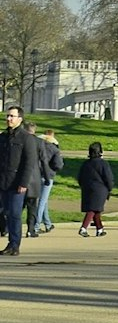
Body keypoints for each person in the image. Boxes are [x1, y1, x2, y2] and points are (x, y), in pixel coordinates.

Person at [0, 104, 40, 256]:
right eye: (8, 116)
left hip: (17, 183)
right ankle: (10, 243)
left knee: (15, 214)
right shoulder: (3, 137)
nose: (9, 119)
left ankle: (14, 244)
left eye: (12, 116)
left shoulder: (26, 138)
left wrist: (23, 183)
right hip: (3, 182)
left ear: (20, 119)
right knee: (6, 213)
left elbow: (29, 162)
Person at [77, 141, 114, 237]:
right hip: (100, 189)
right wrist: (110, 188)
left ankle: (100, 229)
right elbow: (108, 177)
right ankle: (83, 227)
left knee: (96, 209)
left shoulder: (85, 164)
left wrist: (83, 186)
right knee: (93, 209)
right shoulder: (103, 163)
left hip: (87, 188)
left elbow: (80, 177)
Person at [24, 122, 52, 238]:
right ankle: (31, 229)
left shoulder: (21, 140)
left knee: (16, 206)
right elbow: (44, 162)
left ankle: (7, 227)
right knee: (32, 206)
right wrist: (47, 177)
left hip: (20, 177)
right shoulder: (40, 142)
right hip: (34, 177)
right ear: (34, 130)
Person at [35, 128, 62, 233]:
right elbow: (58, 165)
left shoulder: (37, 146)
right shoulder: (54, 149)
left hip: (37, 174)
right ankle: (36, 226)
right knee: (42, 202)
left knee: (43, 201)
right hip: (48, 176)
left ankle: (47, 223)